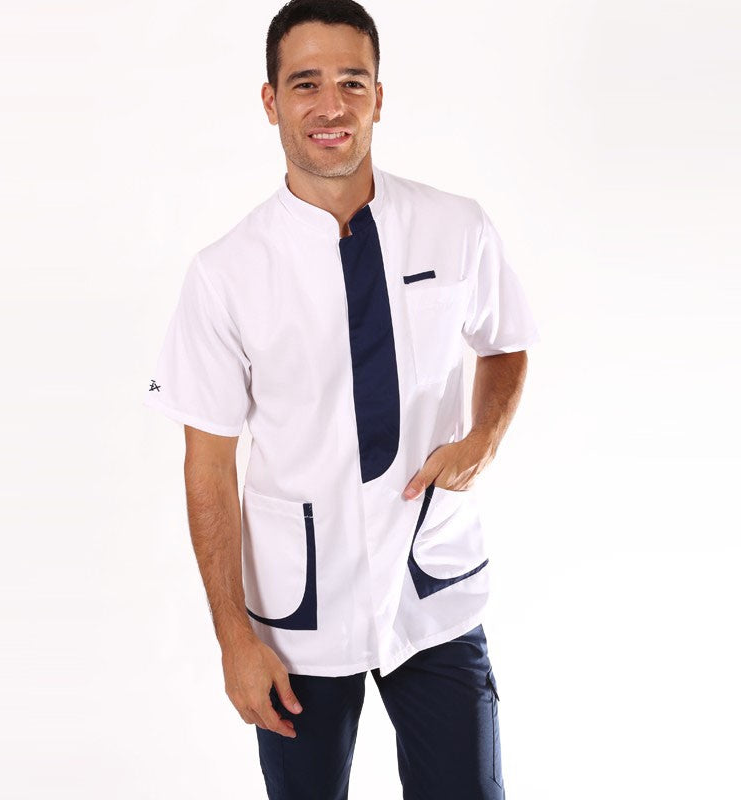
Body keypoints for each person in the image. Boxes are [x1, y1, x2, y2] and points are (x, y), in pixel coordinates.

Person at [143, 0, 541, 796]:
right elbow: (208, 465)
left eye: (352, 82)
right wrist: (233, 640)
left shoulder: (455, 226)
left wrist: (483, 441)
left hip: (432, 588)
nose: (331, 106)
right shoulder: (225, 274)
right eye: (306, 84)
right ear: (271, 102)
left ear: (379, 98)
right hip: (299, 616)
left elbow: (505, 341)